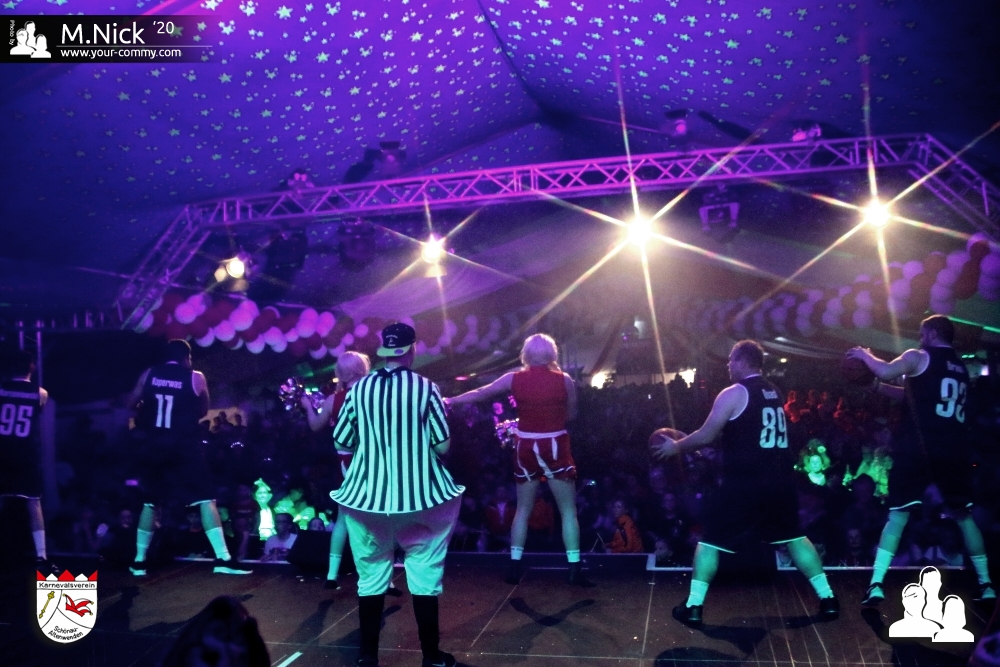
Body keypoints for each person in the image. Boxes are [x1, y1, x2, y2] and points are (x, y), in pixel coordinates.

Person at [651, 340, 839, 626]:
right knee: (794, 538)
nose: (728, 365)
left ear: (741, 360)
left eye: (730, 360)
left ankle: (693, 606)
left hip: (745, 484)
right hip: (780, 482)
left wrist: (675, 446)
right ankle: (828, 599)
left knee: (709, 541)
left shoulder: (735, 392)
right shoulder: (774, 392)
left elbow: (707, 434)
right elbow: (750, 435)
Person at [332, 322, 464, 667]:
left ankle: (367, 657)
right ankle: (432, 656)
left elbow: (341, 440)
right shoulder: (426, 388)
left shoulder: (358, 390)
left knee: (371, 574)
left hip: (366, 498)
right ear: (411, 349)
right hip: (422, 497)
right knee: (424, 570)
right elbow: (443, 445)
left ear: (384, 351)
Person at [846, 315, 995, 605]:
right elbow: (915, 396)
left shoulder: (918, 356)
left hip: (918, 448)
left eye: (922, 332)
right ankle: (986, 584)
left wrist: (864, 354)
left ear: (931, 333)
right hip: (953, 451)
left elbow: (886, 371)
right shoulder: (961, 369)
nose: (919, 337)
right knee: (964, 517)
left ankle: (876, 584)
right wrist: (876, 387)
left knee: (898, 516)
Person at [447, 333, 593, 587]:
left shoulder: (513, 377)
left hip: (525, 445)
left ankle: (514, 568)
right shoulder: (565, 380)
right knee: (568, 510)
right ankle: (574, 569)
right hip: (555, 444)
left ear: (526, 354)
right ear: (552, 353)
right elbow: (572, 414)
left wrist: (450, 400)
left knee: (523, 509)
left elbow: (482, 392)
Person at [128, 339, 250, 576]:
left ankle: (139, 561)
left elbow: (131, 403)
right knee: (206, 499)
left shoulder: (149, 374)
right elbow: (203, 410)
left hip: (155, 447)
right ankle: (223, 558)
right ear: (187, 357)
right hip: (184, 448)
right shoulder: (195, 377)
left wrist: (147, 410)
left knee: (150, 502)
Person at [301, 350, 371, 590]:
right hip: (374, 462)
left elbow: (315, 426)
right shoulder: (374, 394)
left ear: (341, 372)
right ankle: (377, 575)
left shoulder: (335, 399)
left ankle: (332, 575)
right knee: (376, 520)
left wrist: (308, 407)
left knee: (343, 518)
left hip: (347, 464)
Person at [0, 349, 58, 574]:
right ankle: (41, 556)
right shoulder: (40, 393)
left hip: (3, 452)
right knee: (33, 503)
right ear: (31, 366)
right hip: (27, 454)